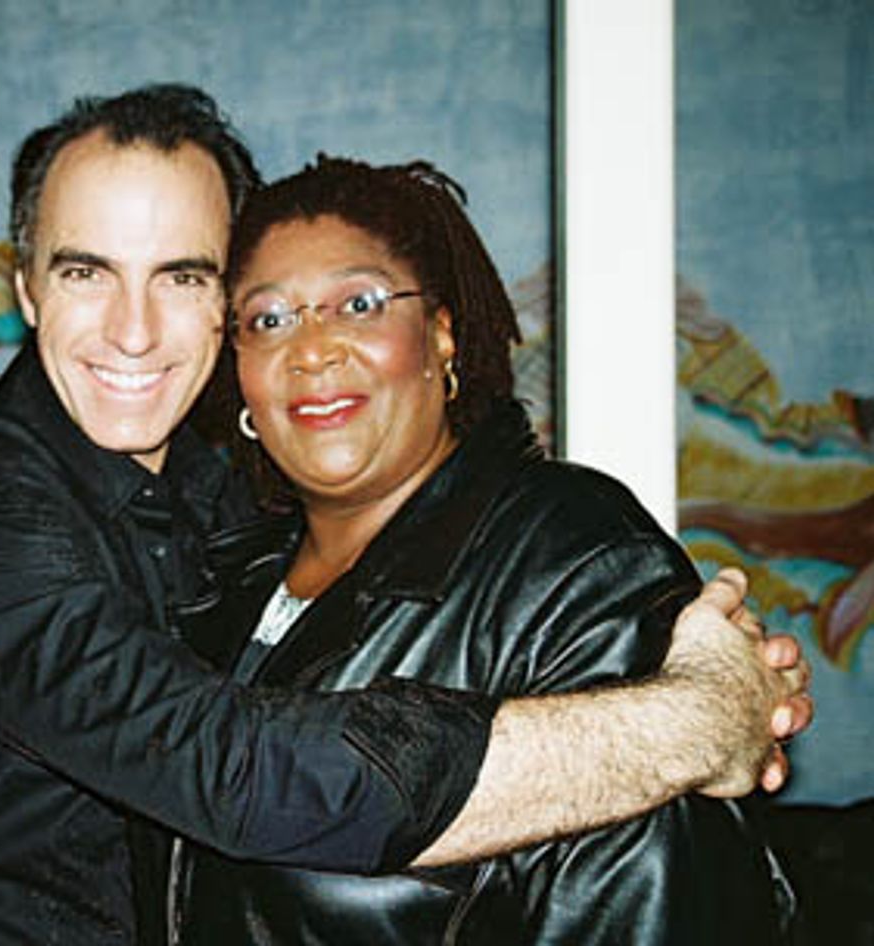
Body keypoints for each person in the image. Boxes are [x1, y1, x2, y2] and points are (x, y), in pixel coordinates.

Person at [0, 84, 810, 945]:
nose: (133, 330)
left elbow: (643, 881)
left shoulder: (233, 501)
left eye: (182, 276)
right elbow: (241, 776)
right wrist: (690, 721)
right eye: (85, 272)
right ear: (25, 288)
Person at [164, 155, 799, 944]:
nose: (313, 349)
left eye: (358, 304)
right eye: (268, 319)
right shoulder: (217, 581)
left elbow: (652, 898)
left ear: (441, 336)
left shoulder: (570, 558)